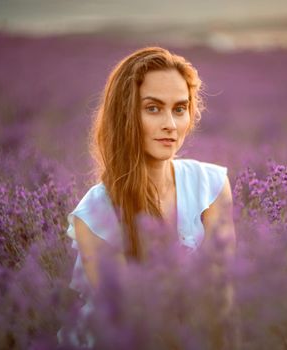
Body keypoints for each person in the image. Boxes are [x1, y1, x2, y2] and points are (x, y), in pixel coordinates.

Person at [57, 46, 236, 348]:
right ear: (125, 115)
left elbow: (223, 301)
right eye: (153, 108)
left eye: (179, 109)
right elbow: (137, 326)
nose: (170, 124)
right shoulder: (95, 215)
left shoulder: (211, 185)